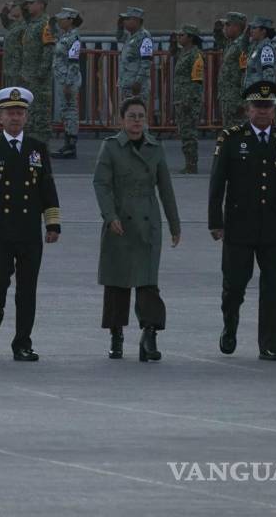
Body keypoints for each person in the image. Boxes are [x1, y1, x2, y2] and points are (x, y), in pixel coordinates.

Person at [0, 86, 62, 362]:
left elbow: (47, 187)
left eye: (20, 113)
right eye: (10, 112)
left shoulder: (37, 149)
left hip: (29, 231)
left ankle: (22, 342)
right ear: (0, 117)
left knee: (27, 290)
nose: (15, 117)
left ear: (26, 117)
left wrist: (52, 223)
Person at [208, 81, 276, 362]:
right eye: (258, 106)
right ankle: (230, 324)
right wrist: (216, 221)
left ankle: (270, 345)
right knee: (234, 285)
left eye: (268, 106)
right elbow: (217, 183)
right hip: (239, 225)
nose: (263, 111)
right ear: (247, 109)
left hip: (273, 225)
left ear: (275, 109)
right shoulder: (232, 139)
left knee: (273, 287)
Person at [93, 97, 180, 361]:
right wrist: (110, 215)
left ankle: (150, 335)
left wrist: (174, 224)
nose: (137, 121)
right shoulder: (110, 148)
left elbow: (165, 189)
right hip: (119, 222)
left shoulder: (155, 148)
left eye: (141, 116)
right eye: (132, 116)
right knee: (117, 283)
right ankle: (116, 336)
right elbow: (101, 184)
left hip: (147, 223)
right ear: (122, 120)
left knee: (148, 282)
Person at [20, 0, 55, 146]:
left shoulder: (45, 24)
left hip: (38, 76)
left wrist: (41, 72)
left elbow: (48, 49)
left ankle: (41, 144)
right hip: (27, 75)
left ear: (41, 4)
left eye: (32, 3)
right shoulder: (31, 23)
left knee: (40, 110)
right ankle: (31, 142)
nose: (29, 6)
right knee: (30, 110)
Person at [170, 24, 205, 173]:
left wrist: (188, 101)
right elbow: (172, 53)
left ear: (191, 38)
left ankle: (192, 164)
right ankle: (189, 163)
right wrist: (172, 41)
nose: (179, 37)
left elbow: (197, 81)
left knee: (189, 133)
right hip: (180, 98)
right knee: (184, 132)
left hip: (188, 100)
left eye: (182, 35)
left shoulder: (195, 55)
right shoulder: (184, 52)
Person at [50, 7, 82, 159]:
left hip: (69, 81)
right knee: (65, 111)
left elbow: (74, 63)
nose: (59, 21)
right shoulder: (65, 36)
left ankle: (71, 145)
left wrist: (69, 84)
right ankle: (67, 142)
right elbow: (52, 31)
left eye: (62, 18)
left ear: (70, 20)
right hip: (62, 79)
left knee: (70, 111)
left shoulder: (74, 38)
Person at [212, 12, 249, 130]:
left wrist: (242, 101)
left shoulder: (242, 45)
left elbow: (245, 73)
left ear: (237, 27)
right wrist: (217, 30)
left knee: (239, 133)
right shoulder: (231, 44)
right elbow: (220, 41)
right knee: (230, 132)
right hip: (228, 97)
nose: (225, 28)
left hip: (236, 99)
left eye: (228, 25)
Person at [116, 7, 153, 114]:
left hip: (137, 85)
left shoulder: (144, 36)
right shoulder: (130, 36)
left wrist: (138, 82)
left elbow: (146, 62)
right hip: (126, 83)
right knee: (127, 115)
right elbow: (119, 38)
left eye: (127, 19)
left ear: (136, 20)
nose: (124, 22)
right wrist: (120, 27)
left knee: (138, 115)